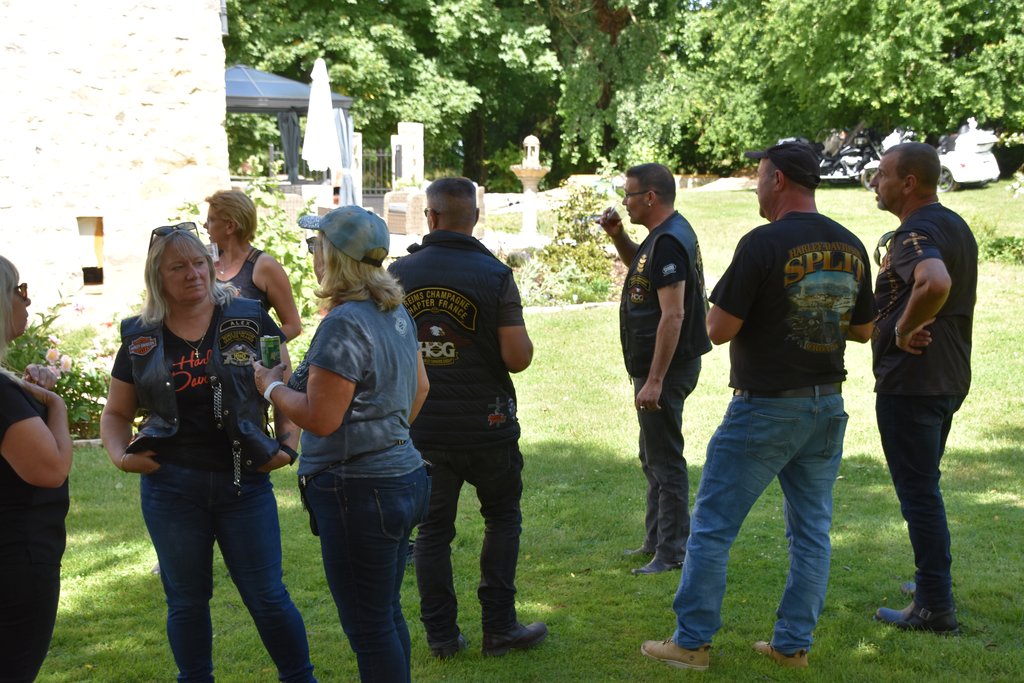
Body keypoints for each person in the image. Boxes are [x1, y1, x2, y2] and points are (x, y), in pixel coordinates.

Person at [641, 141, 875, 671]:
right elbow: (864, 329)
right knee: (811, 534)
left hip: (766, 408)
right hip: (826, 406)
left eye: (760, 176)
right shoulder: (850, 243)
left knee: (712, 527)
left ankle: (691, 642)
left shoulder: (762, 243)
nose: (755, 187)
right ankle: (792, 647)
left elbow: (718, 329)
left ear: (779, 180)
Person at [99, 223, 316, 683]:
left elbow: (283, 383)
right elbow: (116, 412)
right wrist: (120, 455)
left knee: (267, 596)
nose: (193, 273)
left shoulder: (250, 317)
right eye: (178, 266)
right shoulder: (140, 335)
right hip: (171, 487)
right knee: (186, 600)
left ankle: (300, 678)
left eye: (199, 262)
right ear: (157, 276)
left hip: (245, 482)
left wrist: (288, 444)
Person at [254, 206, 431, 683]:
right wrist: (387, 437)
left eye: (316, 245)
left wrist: (270, 387)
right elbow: (420, 390)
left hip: (359, 491)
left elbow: (321, 418)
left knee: (370, 627)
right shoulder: (394, 311)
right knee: (385, 614)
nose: (312, 253)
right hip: (403, 476)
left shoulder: (344, 322)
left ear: (333, 256)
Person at [388, 177, 547, 659]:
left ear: (430, 216)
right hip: (487, 425)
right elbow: (517, 357)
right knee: (502, 518)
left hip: (423, 427)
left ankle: (441, 637)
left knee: (432, 532)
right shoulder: (495, 274)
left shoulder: (398, 274)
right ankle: (499, 628)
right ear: (475, 217)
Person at [867, 142, 977, 634]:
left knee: (918, 494)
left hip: (912, 382)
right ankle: (931, 581)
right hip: (947, 377)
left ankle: (934, 605)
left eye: (883, 174)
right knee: (925, 487)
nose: (875, 182)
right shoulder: (953, 224)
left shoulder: (915, 232)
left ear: (909, 182)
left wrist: (903, 328)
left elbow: (934, 282)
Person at [597, 163, 712, 575]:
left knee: (665, 460)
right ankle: (656, 540)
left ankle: (672, 552)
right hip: (658, 368)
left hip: (666, 369)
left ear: (650, 197)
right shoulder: (662, 236)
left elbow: (673, 315)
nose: (624, 202)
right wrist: (618, 237)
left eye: (629, 194)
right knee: (653, 455)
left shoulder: (669, 241)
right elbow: (642, 272)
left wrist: (656, 380)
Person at [0, 259, 73, 682]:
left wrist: (29, 394)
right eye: (19, 290)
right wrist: (55, 405)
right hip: (17, 560)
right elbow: (52, 469)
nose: (26, 301)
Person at [205, 189, 303, 340]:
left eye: (211, 220)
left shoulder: (264, 266)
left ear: (230, 226)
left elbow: (293, 326)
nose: (205, 225)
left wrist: (257, 347)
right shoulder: (207, 262)